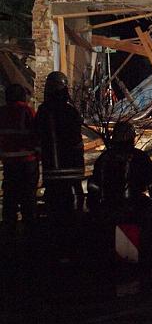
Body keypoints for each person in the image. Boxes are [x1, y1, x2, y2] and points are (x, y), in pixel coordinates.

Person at [34, 71, 85, 223]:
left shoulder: (43, 111)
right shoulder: (70, 111)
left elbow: (37, 135)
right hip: (72, 166)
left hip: (52, 168)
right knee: (74, 203)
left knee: (54, 207)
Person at [87, 121, 152, 220]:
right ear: (132, 138)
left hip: (110, 207)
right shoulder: (140, 157)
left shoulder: (105, 158)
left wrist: (94, 206)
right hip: (135, 207)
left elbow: (94, 185)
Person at [0, 84, 39, 234]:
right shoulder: (27, 111)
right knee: (28, 201)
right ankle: (31, 236)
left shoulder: (2, 112)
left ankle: (9, 235)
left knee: (10, 201)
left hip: (10, 166)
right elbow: (37, 135)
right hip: (28, 164)